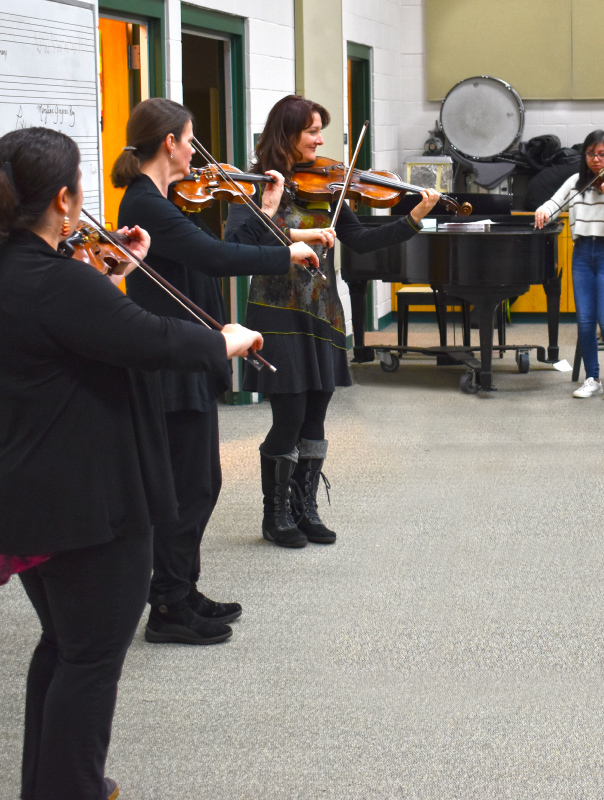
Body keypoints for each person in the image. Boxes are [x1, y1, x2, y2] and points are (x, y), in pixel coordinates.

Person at [0, 126, 261, 800]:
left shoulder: (25, 273)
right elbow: (151, 340)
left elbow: (86, 336)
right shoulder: (56, 281)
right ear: (64, 199)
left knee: (62, 646)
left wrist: (109, 279)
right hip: (88, 503)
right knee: (90, 659)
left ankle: (50, 785)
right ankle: (73, 789)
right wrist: (223, 340)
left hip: (30, 496)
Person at [114, 98, 320, 644]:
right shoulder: (148, 204)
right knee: (190, 487)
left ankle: (181, 589)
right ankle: (168, 607)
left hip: (190, 350)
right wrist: (288, 251)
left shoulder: (157, 200)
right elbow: (217, 258)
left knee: (198, 483)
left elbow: (200, 264)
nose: (193, 151)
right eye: (189, 139)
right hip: (172, 362)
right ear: (169, 144)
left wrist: (267, 216)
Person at [224, 94, 440, 548]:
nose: (321, 140)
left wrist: (415, 216)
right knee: (289, 415)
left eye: (321, 130)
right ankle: (276, 515)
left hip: (323, 309)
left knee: (317, 411)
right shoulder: (256, 184)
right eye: (312, 131)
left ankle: (305, 509)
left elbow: (359, 240)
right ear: (287, 133)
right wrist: (293, 230)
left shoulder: (330, 183)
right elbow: (238, 243)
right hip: (277, 312)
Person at [535, 129, 604, 399]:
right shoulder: (576, 181)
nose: (596, 159)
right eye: (591, 154)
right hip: (582, 252)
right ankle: (592, 378)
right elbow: (555, 203)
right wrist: (544, 210)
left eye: (602, 154)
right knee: (584, 320)